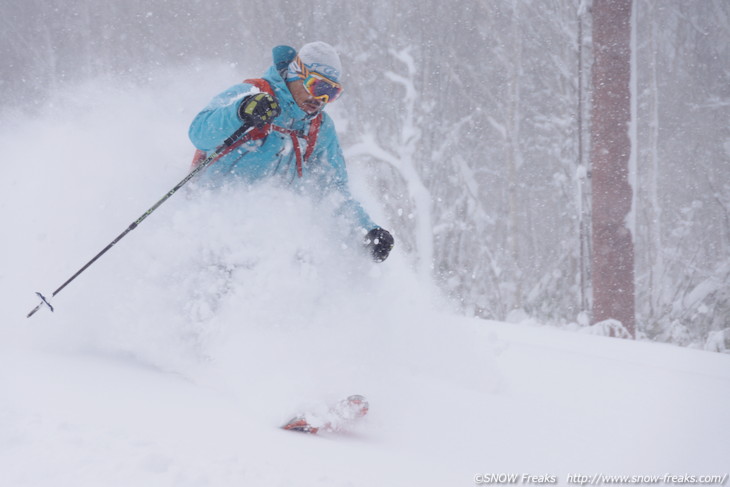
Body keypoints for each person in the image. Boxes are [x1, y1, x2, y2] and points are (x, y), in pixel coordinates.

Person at [188, 42, 394, 262]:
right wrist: (240, 111)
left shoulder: (319, 128)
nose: (321, 100)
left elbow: (332, 188)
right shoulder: (254, 93)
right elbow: (199, 133)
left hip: (269, 242)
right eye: (318, 86)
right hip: (212, 227)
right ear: (297, 74)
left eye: (331, 93)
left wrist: (366, 230)